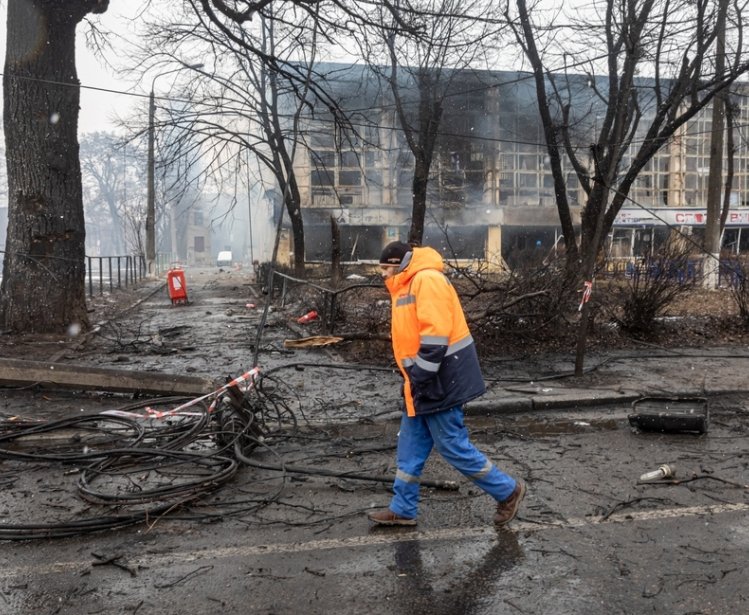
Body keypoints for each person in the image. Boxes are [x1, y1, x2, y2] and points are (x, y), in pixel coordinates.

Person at [368, 241, 526, 527]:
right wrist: (415, 381)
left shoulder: (426, 280)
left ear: (399, 262)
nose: (383, 274)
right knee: (410, 450)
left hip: (438, 382)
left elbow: (435, 337)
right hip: (422, 383)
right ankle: (402, 508)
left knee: (452, 446)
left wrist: (420, 377)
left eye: (386, 267)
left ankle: (507, 490)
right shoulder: (408, 284)